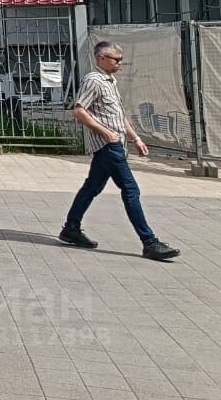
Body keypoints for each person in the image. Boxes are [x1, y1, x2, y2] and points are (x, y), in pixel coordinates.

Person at [59, 41, 181, 261]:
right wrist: (105, 133)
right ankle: (149, 242)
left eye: (121, 59)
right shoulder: (94, 80)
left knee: (92, 187)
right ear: (101, 58)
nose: (120, 63)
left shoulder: (110, 81)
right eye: (116, 59)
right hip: (108, 145)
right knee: (131, 189)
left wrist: (135, 138)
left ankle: (71, 228)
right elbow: (79, 111)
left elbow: (118, 115)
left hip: (115, 143)